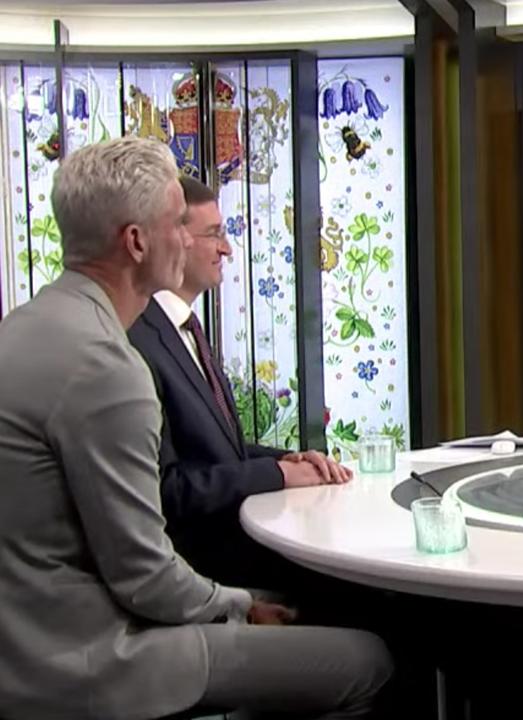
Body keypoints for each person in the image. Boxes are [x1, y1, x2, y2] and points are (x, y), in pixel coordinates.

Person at [0, 137, 392, 719]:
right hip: (92, 658)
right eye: (177, 223)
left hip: (23, 645)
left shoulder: (23, 325)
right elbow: (144, 578)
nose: (189, 239)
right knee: (368, 660)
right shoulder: (107, 365)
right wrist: (242, 605)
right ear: (136, 242)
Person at [129, 175, 351, 590]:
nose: (227, 249)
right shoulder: (139, 341)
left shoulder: (185, 329)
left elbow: (218, 452)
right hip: (208, 568)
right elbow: (167, 488)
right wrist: (275, 475)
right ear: (174, 238)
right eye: (214, 234)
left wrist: (290, 460)